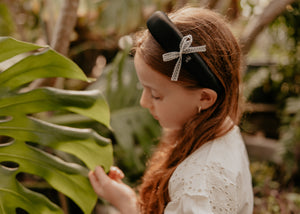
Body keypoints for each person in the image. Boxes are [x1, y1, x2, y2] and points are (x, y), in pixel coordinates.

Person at [88, 6, 253, 214]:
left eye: (156, 94)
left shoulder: (200, 186)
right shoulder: (222, 130)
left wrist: (126, 207)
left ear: (204, 97)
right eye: (142, 88)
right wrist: (129, 201)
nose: (143, 102)